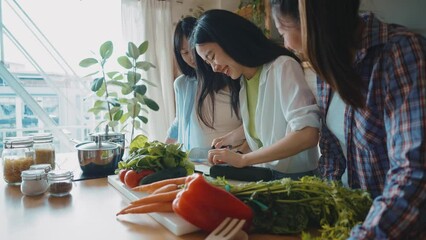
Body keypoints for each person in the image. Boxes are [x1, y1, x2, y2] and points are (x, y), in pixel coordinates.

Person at [270, 0, 426, 238]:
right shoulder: (328, 63)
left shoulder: (400, 53)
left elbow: (413, 172)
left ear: (313, 23)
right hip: (356, 223)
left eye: (283, 32)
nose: (286, 44)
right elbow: (332, 156)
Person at [190, 9, 320, 179]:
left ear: (229, 39)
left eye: (212, 56)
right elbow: (269, 121)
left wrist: (243, 159)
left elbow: (307, 133)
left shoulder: (282, 67)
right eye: (208, 63)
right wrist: (233, 138)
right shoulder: (245, 82)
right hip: (268, 177)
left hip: (297, 179)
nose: (214, 67)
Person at [165, 16, 242, 152]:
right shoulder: (182, 84)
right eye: (185, 52)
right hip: (196, 162)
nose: (192, 57)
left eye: (194, 49)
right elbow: (180, 120)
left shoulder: (230, 74)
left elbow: (252, 124)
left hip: (233, 159)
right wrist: (162, 151)